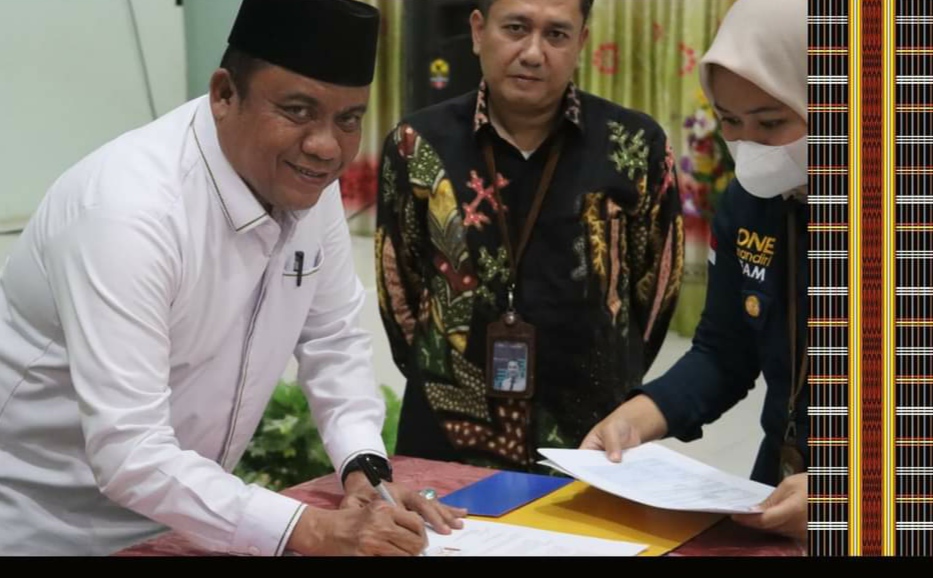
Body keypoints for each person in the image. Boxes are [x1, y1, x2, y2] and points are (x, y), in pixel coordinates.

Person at [0, 0, 464, 557]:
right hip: (44, 531)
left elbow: (332, 338)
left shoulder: (303, 180)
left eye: (348, 119)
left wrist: (366, 470)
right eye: (297, 110)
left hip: (193, 523)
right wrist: (312, 529)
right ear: (224, 94)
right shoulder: (128, 213)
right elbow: (131, 452)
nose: (325, 146)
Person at [375, 0, 683, 471]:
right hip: (447, 430)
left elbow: (656, 289)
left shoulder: (636, 145)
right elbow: (399, 288)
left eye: (556, 34)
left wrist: (611, 366)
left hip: (593, 436)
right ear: (478, 31)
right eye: (516, 28)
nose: (534, 53)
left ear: (581, 41)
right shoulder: (416, 144)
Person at [581, 0, 809, 543]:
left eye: (771, 122)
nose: (748, 145)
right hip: (779, 491)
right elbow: (724, 351)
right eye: (730, 121)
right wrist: (639, 416)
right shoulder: (750, 203)